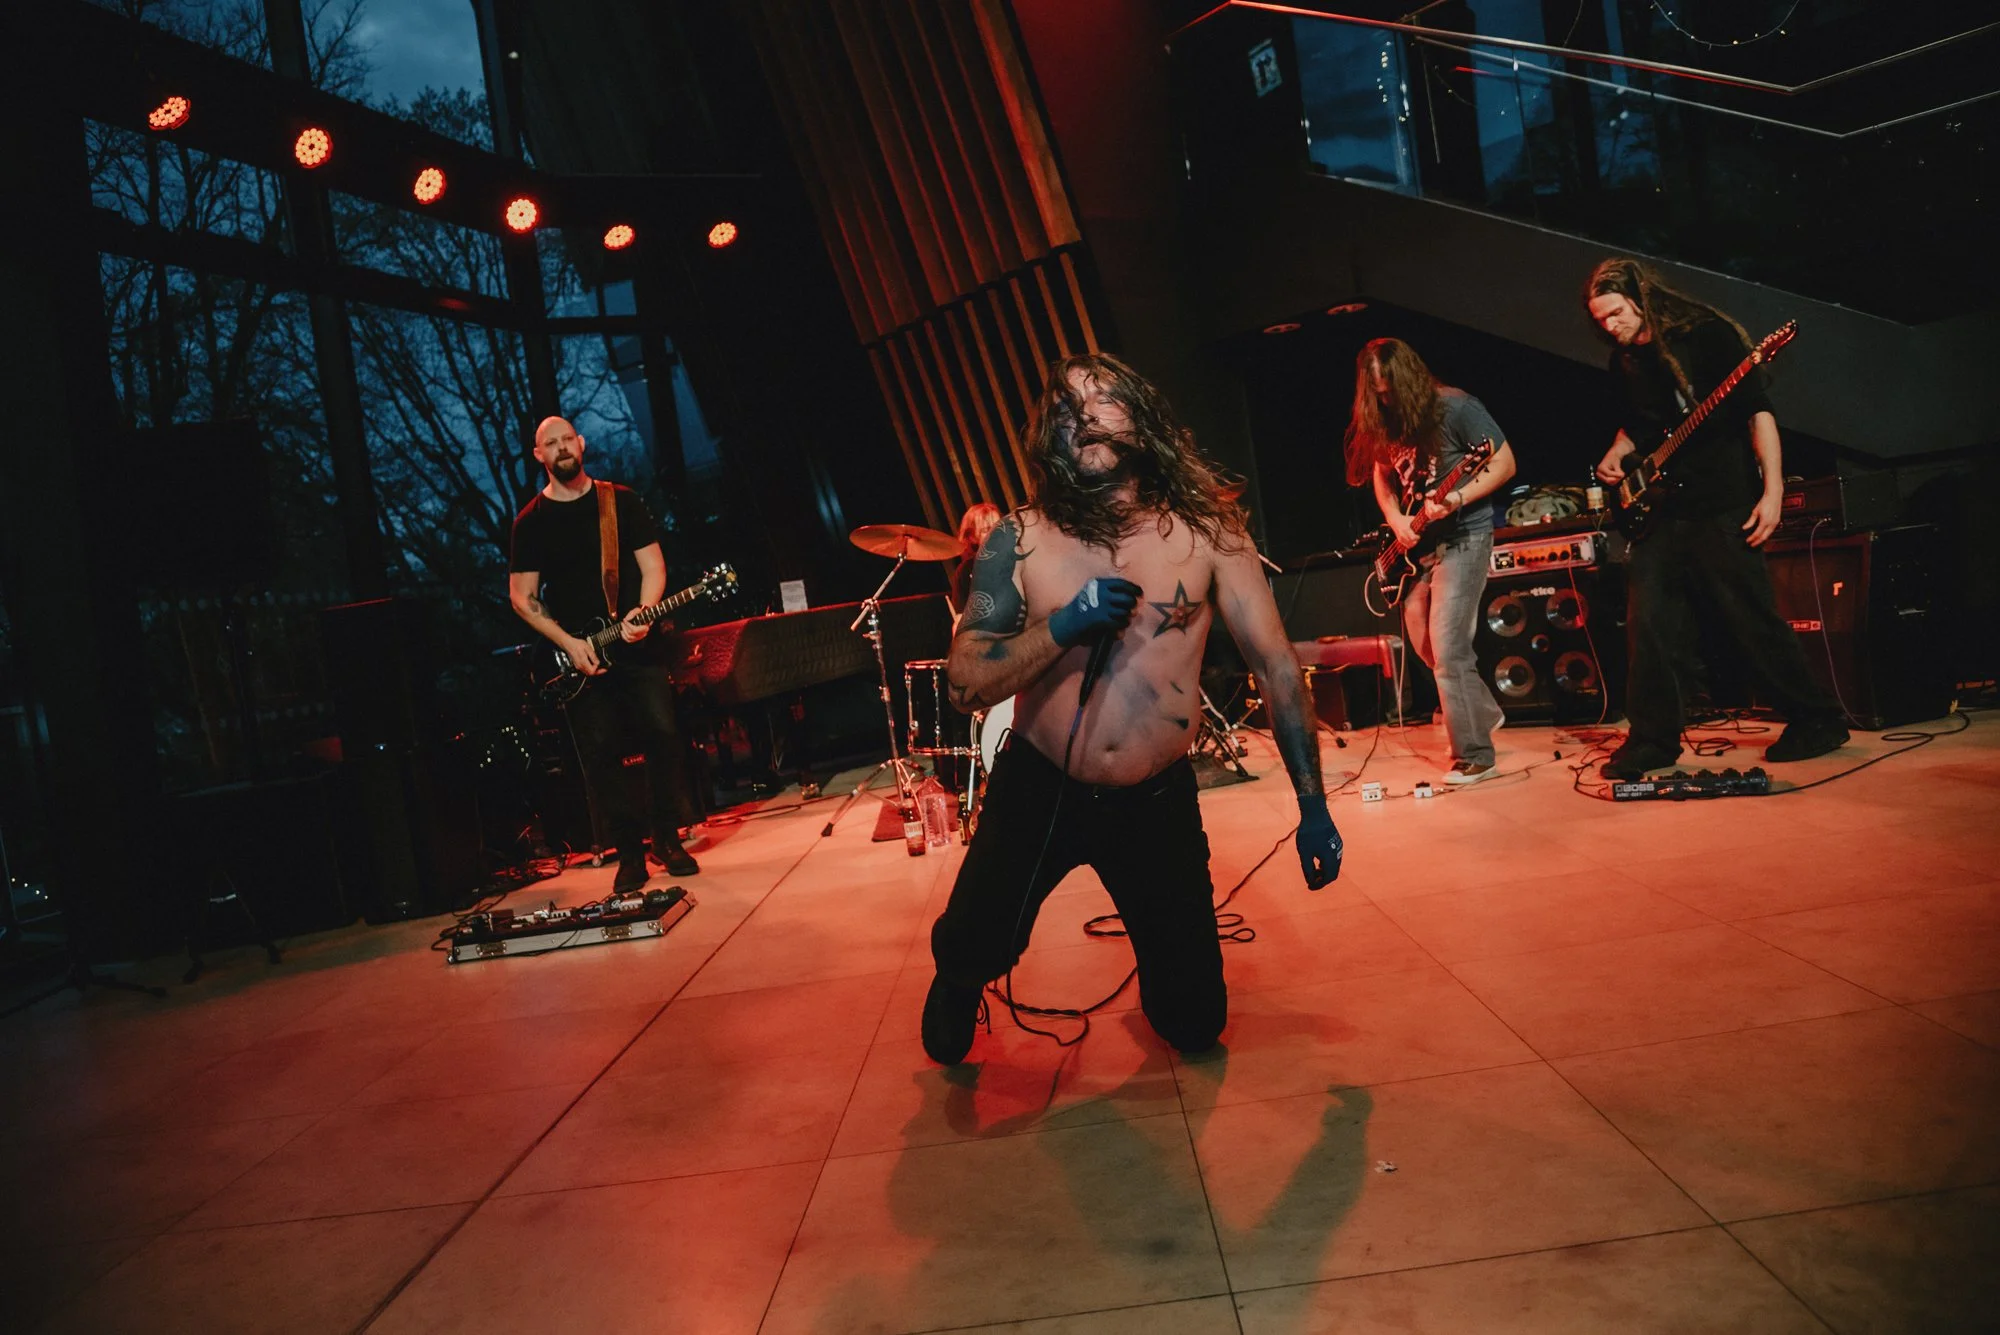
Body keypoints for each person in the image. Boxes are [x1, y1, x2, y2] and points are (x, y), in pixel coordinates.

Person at [922, 352, 1344, 1065]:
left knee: (1193, 1022)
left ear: (1142, 419)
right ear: (1045, 439)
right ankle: (962, 975)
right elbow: (965, 684)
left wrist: (1313, 804)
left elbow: (1275, 666)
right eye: (1062, 411)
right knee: (972, 947)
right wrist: (1062, 626)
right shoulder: (1018, 538)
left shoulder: (1210, 532)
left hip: (1154, 800)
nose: (1079, 419)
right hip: (1040, 784)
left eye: (1099, 401)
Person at [1585, 257, 1849, 778]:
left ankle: (1818, 718)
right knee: (1650, 623)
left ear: (1639, 298)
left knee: (1750, 616)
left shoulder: (1705, 335)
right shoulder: (1626, 364)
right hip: (1663, 508)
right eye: (1600, 320)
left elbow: (1758, 413)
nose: (1609, 326)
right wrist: (1619, 450)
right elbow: (1642, 424)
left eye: (1615, 313)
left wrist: (1772, 491)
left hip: (1722, 499)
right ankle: (1652, 741)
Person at [508, 415, 701, 890]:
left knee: (662, 735)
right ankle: (629, 853)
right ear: (539, 456)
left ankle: (666, 837)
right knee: (600, 756)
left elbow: (653, 566)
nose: (560, 448)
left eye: (566, 440)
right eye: (549, 444)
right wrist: (570, 645)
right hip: (580, 659)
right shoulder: (530, 522)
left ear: (582, 443)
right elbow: (521, 597)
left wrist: (646, 611)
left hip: (635, 645)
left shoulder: (622, 502)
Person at [1344, 338, 1517, 783]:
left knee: (1449, 645)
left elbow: (1504, 463)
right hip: (1417, 544)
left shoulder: (1455, 407)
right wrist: (1394, 516)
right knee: (1426, 644)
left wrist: (1457, 495)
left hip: (1464, 533)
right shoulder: (1384, 423)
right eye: (1378, 393)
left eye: (1391, 389)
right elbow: (1382, 478)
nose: (1386, 399)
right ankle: (1482, 712)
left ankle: (1476, 754)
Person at [948, 502, 1003, 617]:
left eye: (997, 526)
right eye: (986, 530)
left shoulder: (1016, 558)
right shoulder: (965, 571)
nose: (995, 533)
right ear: (972, 537)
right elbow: (960, 615)